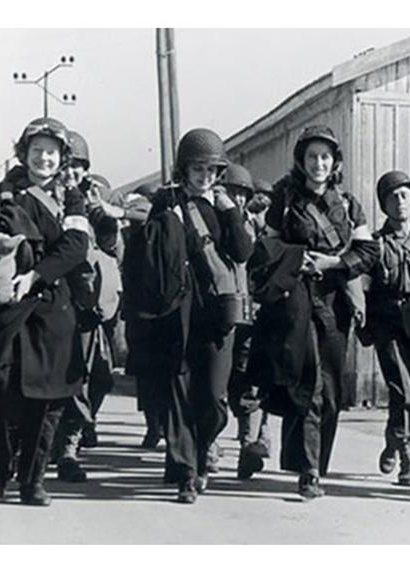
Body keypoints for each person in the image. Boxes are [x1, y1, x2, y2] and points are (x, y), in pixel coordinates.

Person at [247, 125, 379, 500]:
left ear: (335, 161)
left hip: (334, 302)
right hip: (296, 299)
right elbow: (265, 248)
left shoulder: (350, 204)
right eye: (311, 157)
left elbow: (367, 253)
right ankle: (308, 473)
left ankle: (314, 464)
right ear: (301, 161)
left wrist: (334, 261)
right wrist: (297, 260)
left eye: (325, 157)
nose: (319, 164)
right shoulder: (284, 199)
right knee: (308, 383)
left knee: (332, 389)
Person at [0, 116, 89, 506]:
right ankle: (0, 473)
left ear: (62, 157)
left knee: (48, 399)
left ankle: (33, 480)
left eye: (51, 152)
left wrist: (35, 274)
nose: (44, 159)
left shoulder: (72, 198)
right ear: (24, 154)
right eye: (37, 151)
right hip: (6, 310)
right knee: (0, 393)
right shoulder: (3, 193)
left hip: (52, 308)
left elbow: (75, 246)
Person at [141, 128, 253, 503]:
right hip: (177, 311)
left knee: (213, 397)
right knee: (178, 392)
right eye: (197, 168)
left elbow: (241, 252)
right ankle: (186, 471)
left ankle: (201, 451)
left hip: (217, 310)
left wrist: (231, 213)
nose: (204, 175)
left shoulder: (223, 207)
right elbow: (154, 251)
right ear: (183, 169)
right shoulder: (166, 203)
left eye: (211, 169)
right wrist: (168, 216)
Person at [49, 130, 123, 483]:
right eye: (66, 166)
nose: (71, 174)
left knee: (98, 377)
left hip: (90, 307)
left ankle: (70, 441)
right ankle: (61, 447)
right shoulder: (44, 199)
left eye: (77, 167)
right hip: (53, 301)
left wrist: (106, 216)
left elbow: (114, 251)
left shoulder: (95, 203)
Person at [357, 170, 410, 487]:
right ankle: (407, 457)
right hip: (388, 321)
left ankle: (393, 438)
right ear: (384, 205)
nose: (399, 202)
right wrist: (364, 324)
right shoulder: (374, 245)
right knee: (403, 391)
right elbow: (363, 289)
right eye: (392, 197)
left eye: (404, 195)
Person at [222, 163, 272, 480]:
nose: (238, 200)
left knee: (246, 379)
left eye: (242, 194)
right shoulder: (215, 223)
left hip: (251, 315)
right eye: (232, 193)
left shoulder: (257, 228)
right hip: (222, 312)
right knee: (224, 381)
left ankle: (246, 446)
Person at [121, 181, 165, 449]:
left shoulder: (161, 228)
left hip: (157, 312)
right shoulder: (132, 235)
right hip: (139, 313)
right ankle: (153, 427)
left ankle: (158, 427)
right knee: (147, 377)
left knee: (154, 377)